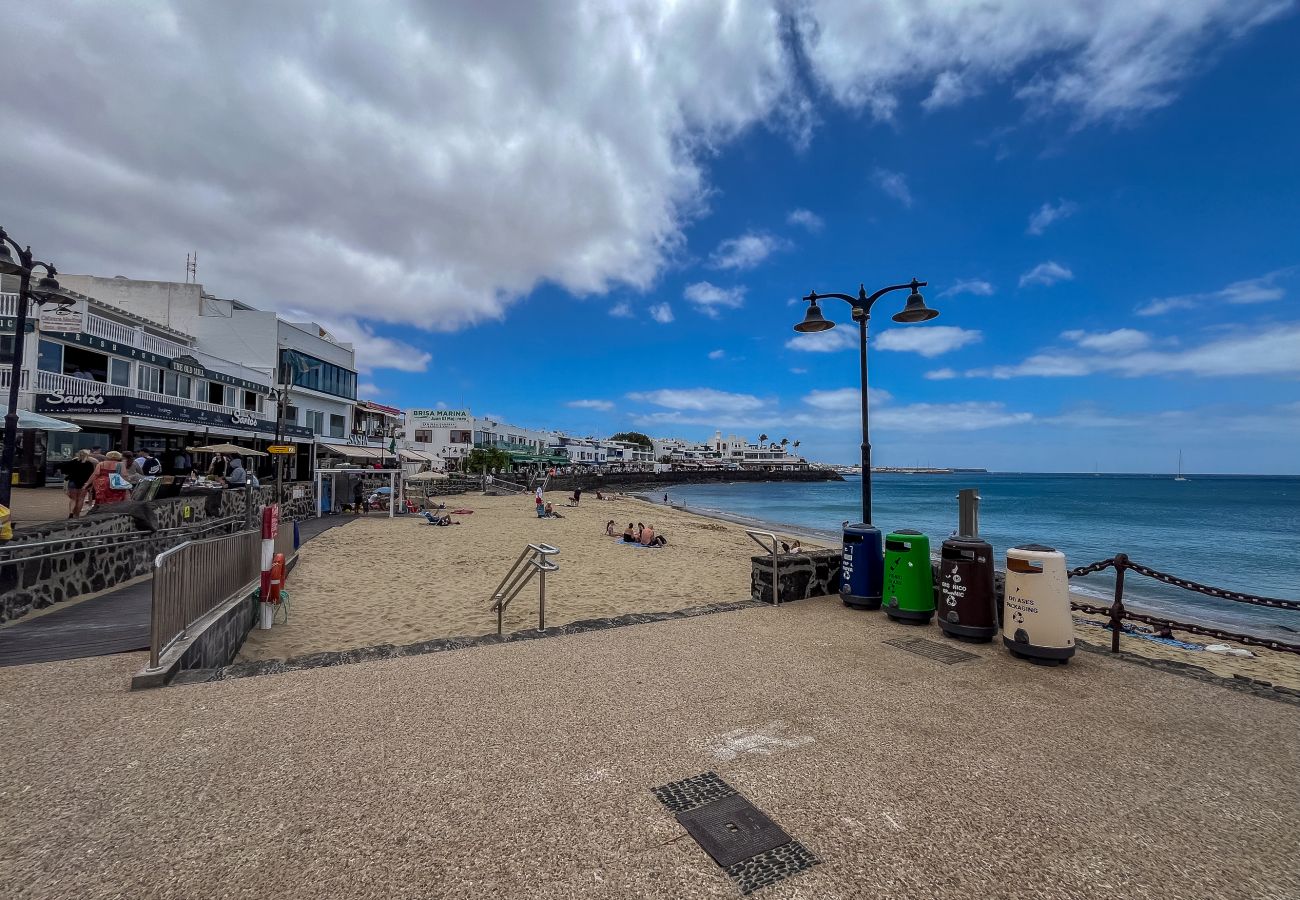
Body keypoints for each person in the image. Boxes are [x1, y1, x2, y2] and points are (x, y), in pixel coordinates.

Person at [61, 449, 96, 518]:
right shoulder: (89, 464)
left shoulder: (73, 462)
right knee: (81, 499)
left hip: (72, 482)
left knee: (73, 499)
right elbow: (91, 475)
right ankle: (77, 514)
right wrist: (90, 484)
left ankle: (71, 513)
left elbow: (64, 470)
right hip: (84, 484)